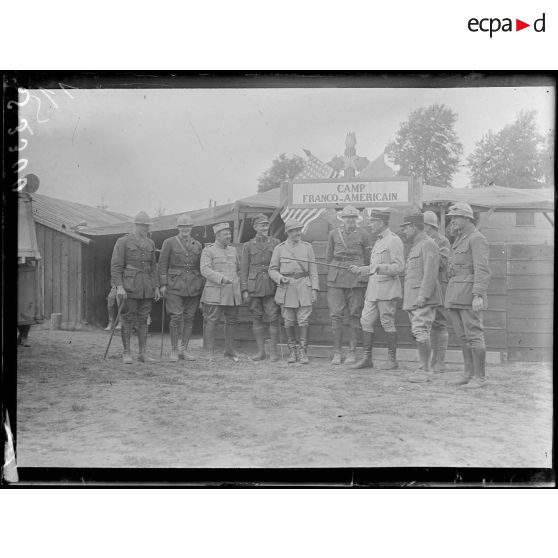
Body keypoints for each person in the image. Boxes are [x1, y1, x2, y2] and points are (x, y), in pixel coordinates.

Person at [349, 209, 404, 369]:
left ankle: (392, 360)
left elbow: (399, 267)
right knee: (365, 321)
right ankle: (367, 359)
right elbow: (373, 267)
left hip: (387, 289)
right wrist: (362, 269)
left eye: (373, 221)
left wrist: (375, 268)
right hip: (373, 290)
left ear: (381, 222)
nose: (370, 224)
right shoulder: (379, 240)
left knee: (387, 322)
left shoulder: (393, 240)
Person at [445, 202, 491, 388]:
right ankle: (468, 374)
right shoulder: (460, 239)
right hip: (456, 294)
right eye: (451, 218)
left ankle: (480, 378)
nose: (452, 221)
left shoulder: (476, 238)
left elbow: (483, 269)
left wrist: (478, 294)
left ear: (467, 218)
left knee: (474, 336)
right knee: (463, 337)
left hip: (470, 296)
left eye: (455, 217)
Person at [110, 211, 160, 364]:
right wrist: (119, 286)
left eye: (147, 226)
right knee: (127, 318)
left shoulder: (150, 243)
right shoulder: (123, 241)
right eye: (142, 225)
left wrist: (156, 286)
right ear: (135, 225)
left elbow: (153, 267)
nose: (145, 228)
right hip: (129, 286)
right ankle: (126, 353)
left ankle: (143, 353)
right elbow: (116, 266)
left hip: (146, 287)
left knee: (144, 319)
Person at [268, 219, 319, 364]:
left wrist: (314, 289)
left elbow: (313, 271)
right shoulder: (280, 248)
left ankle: (303, 352)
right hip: (286, 287)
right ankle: (292, 352)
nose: (298, 233)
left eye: (299, 230)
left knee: (303, 320)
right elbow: (272, 269)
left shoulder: (307, 247)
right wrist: (279, 278)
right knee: (288, 320)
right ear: (288, 232)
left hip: (304, 286)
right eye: (295, 230)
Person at [326, 205, 371, 365]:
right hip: (337, 277)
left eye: (353, 217)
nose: (350, 220)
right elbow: (329, 256)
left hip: (355, 278)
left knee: (354, 315)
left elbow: (367, 259)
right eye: (347, 217)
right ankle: (337, 352)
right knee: (336, 316)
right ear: (342, 219)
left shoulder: (364, 234)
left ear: (356, 219)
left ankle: (352, 352)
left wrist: (360, 271)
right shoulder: (333, 234)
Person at [400, 213, 442, 382]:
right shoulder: (417, 245)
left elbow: (430, 273)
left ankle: (425, 370)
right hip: (414, 298)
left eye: (406, 227)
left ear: (415, 227)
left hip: (422, 298)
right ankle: (423, 367)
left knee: (420, 331)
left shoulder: (428, 244)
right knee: (419, 332)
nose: (404, 231)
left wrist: (423, 296)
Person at [158, 214, 204, 362]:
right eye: (182, 227)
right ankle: (173, 350)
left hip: (193, 286)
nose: (185, 229)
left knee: (190, 317)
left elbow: (199, 266)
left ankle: (184, 349)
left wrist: (200, 284)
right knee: (176, 316)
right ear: (178, 228)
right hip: (174, 284)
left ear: (191, 227)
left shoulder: (197, 245)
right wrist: (163, 284)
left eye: (188, 226)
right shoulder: (169, 242)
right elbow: (162, 264)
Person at [240, 214, 281, 361]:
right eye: (261, 225)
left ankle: (274, 353)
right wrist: (244, 290)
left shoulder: (276, 243)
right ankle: (260, 352)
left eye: (266, 224)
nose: (265, 227)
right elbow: (244, 270)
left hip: (271, 286)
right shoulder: (248, 246)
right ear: (255, 227)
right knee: (257, 318)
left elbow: (279, 265)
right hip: (254, 286)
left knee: (273, 318)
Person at [200, 222, 242, 359]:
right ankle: (208, 352)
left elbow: (239, 269)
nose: (229, 236)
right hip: (215, 291)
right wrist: (221, 278)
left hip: (232, 293)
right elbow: (204, 270)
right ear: (217, 236)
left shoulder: (233, 250)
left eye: (229, 233)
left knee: (232, 321)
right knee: (211, 320)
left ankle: (229, 350)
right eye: (225, 234)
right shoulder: (208, 250)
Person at [423, 210, 452, 372]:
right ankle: (431, 360)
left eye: (424, 225)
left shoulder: (442, 241)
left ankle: (440, 362)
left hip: (439, 284)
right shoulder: (422, 241)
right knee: (428, 323)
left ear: (430, 226)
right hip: (425, 284)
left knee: (440, 322)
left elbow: (441, 264)